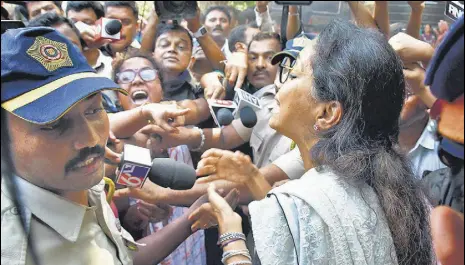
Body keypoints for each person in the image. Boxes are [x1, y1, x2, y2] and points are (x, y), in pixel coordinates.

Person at [193, 19, 434, 265]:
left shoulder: (296, 205)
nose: (279, 85)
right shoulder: (394, 189)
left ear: (328, 113)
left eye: (294, 75)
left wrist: (230, 232)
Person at [0, 26, 232, 265]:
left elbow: (120, 255)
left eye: (93, 110)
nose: (91, 139)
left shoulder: (81, 178)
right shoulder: (13, 249)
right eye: (54, 124)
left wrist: (191, 218)